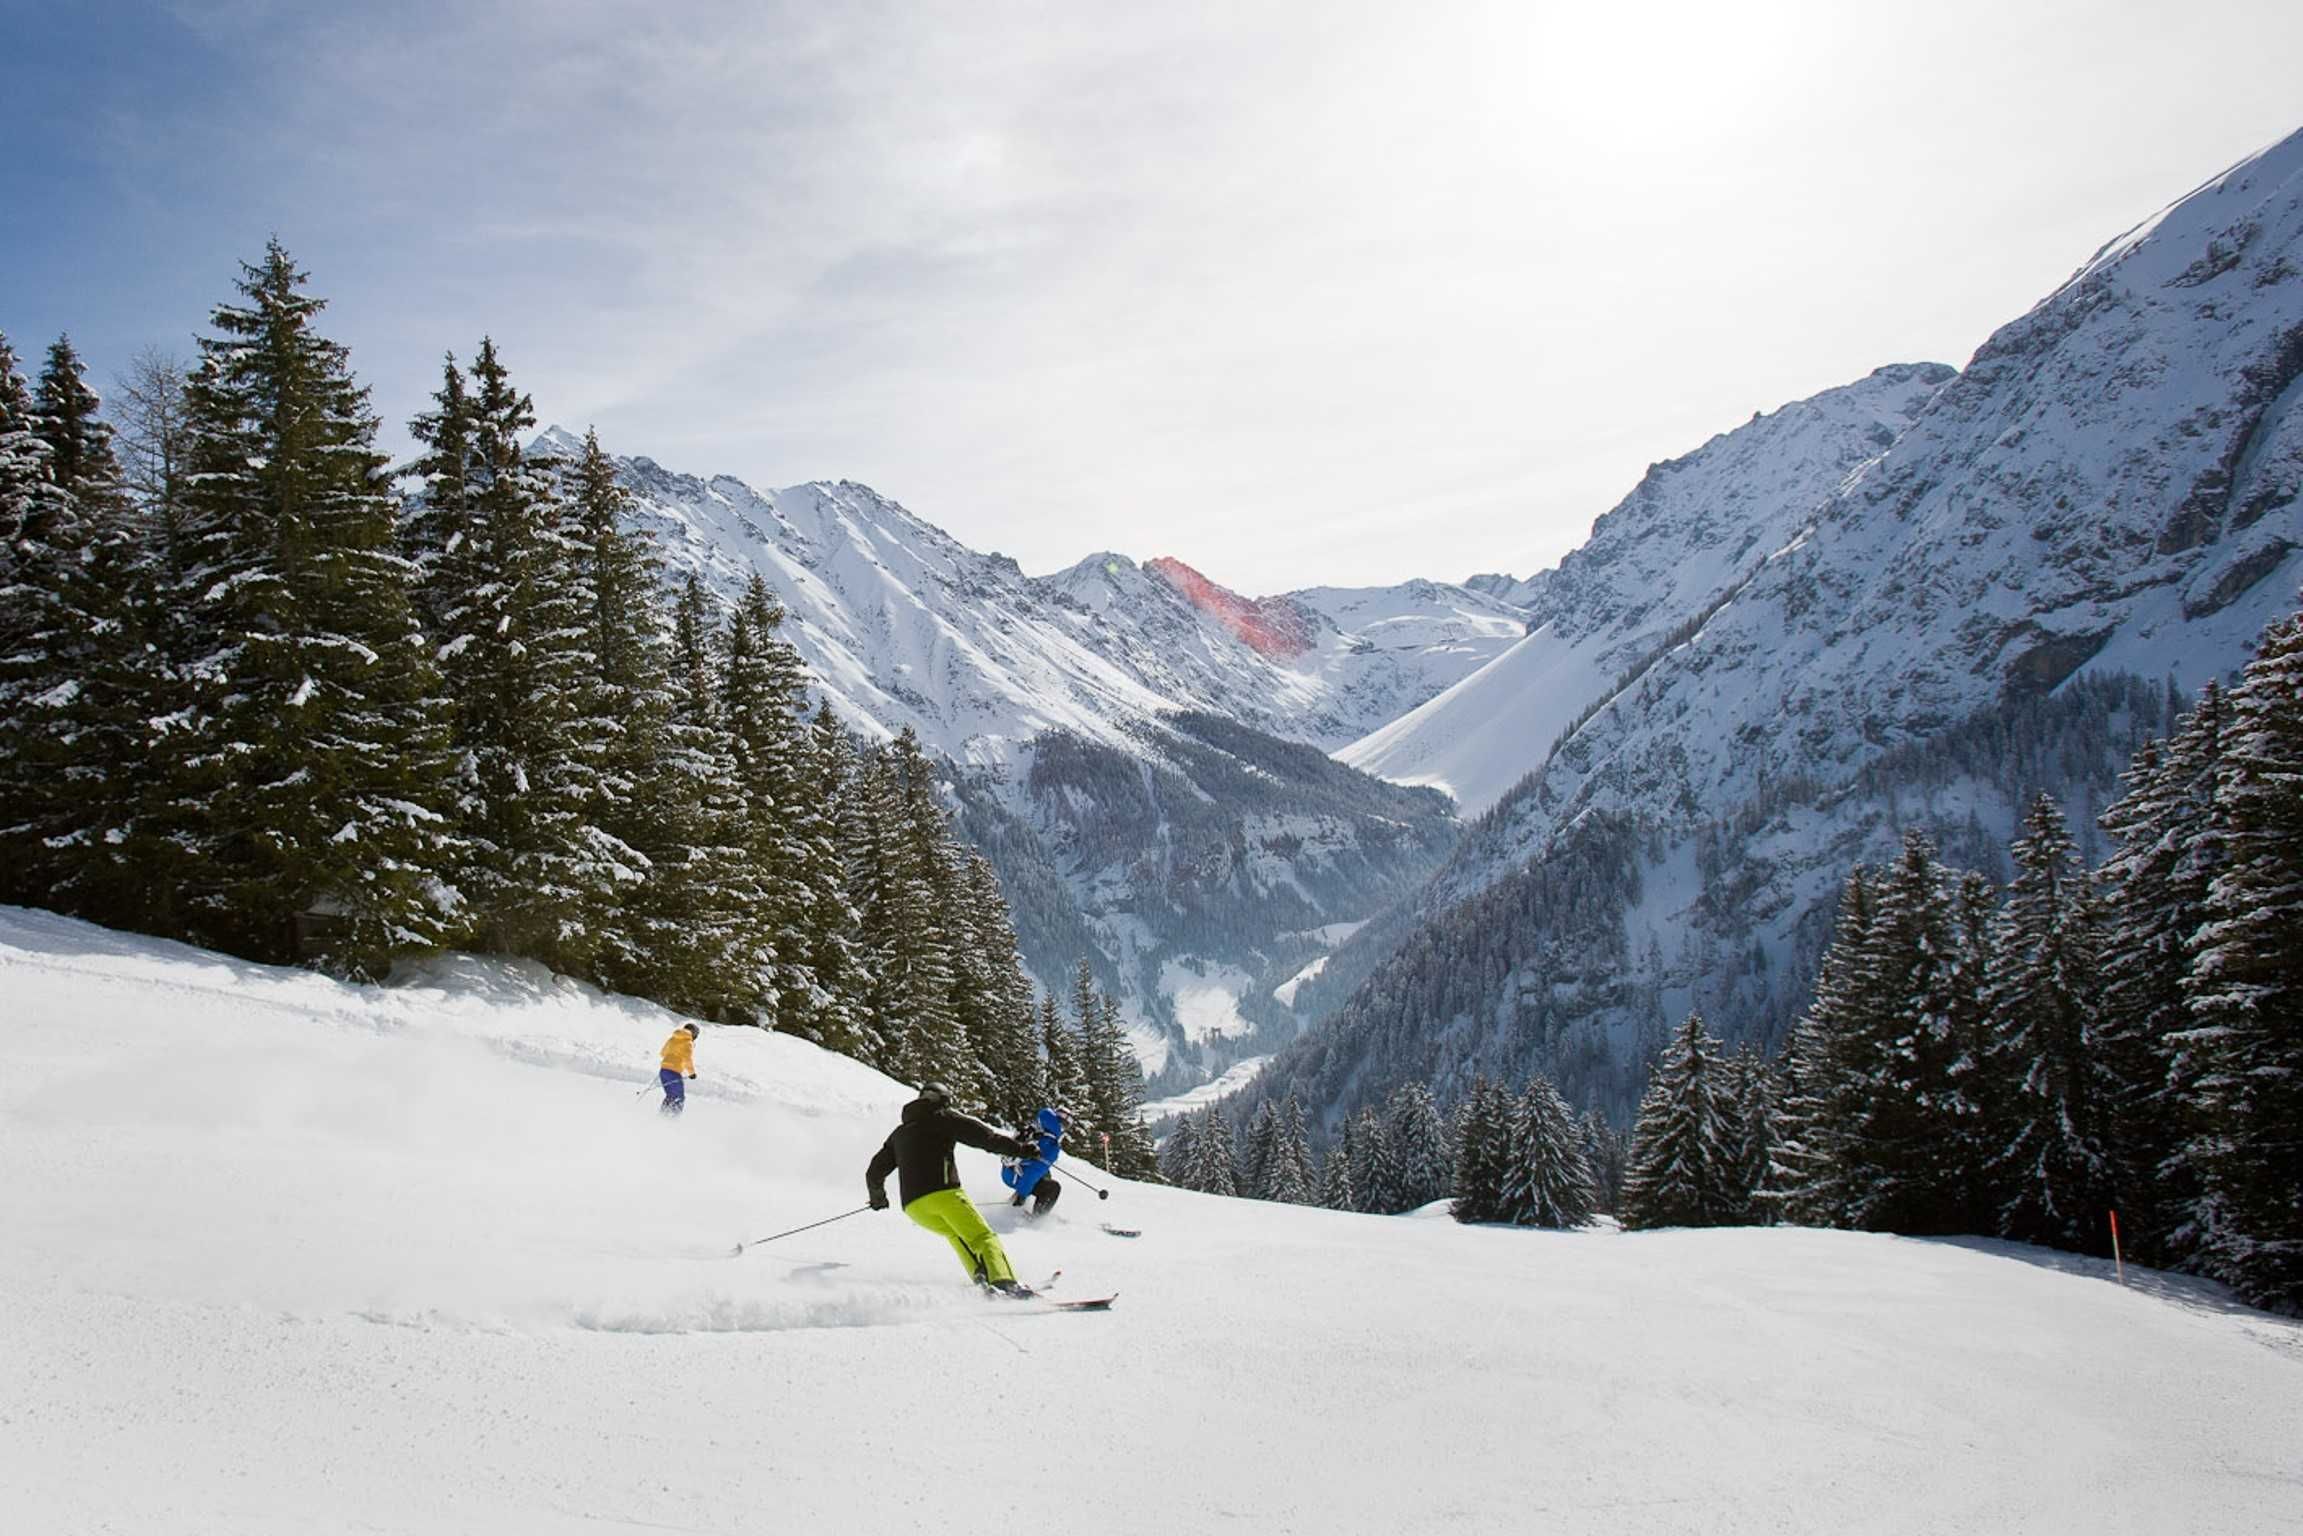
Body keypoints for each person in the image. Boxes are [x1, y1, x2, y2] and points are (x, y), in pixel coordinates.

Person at [866, 1083, 1041, 1295]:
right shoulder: (943, 1117)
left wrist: (878, 1198)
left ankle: (984, 1279)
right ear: (943, 1100)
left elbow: (874, 1172)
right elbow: (986, 1138)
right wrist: (1022, 1150)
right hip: (944, 1194)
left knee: (957, 1235)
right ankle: (1004, 1283)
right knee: (983, 1237)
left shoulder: (899, 1133)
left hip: (914, 1207)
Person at [1001, 1106, 1068, 1217]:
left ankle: (1015, 1199)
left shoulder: (1037, 1128)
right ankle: (1036, 1218)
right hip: (1016, 1177)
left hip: (1009, 1171)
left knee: (1045, 1175)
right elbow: (1034, 1171)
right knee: (1053, 1188)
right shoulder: (1050, 1143)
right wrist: (1022, 1195)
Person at [658, 1022, 698, 1116]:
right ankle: (673, 1119)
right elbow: (687, 1059)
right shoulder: (688, 1043)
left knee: (671, 1095)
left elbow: (662, 1053)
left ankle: (662, 1115)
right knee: (679, 1097)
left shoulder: (673, 1038)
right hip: (674, 1072)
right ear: (694, 1033)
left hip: (663, 1070)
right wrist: (692, 1073)